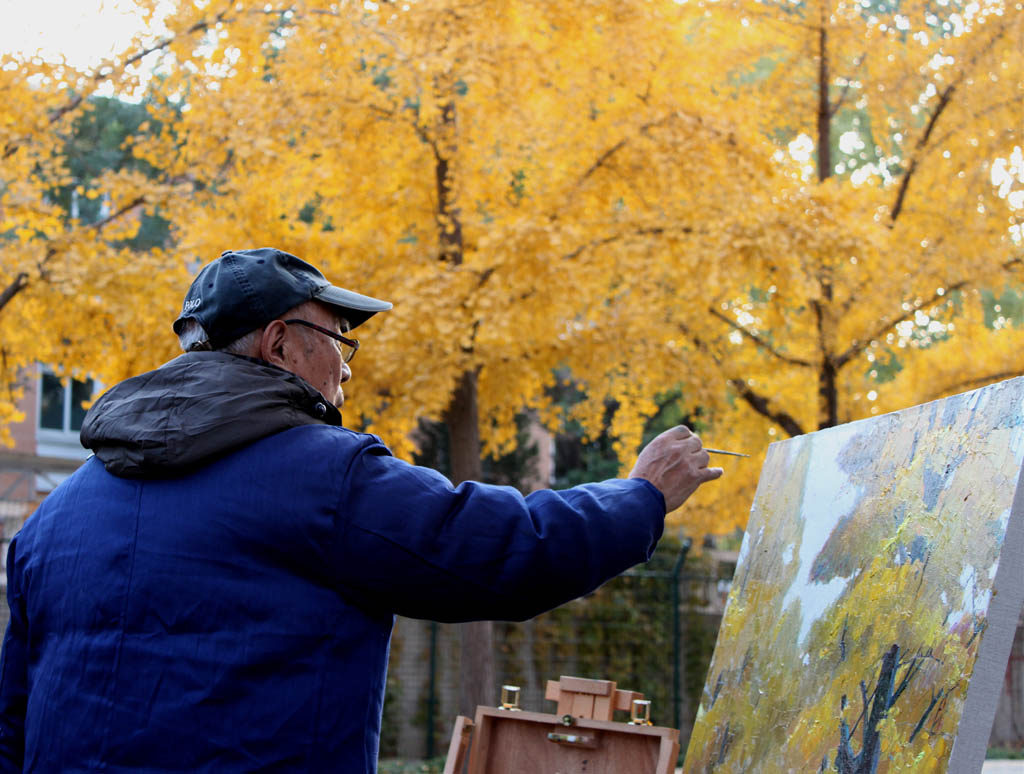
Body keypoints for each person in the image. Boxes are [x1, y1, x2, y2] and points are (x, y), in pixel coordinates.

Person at [0, 248, 722, 773]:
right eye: (339, 340)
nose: (347, 367)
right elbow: (505, 551)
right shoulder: (324, 479)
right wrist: (642, 496)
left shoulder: (54, 518)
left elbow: (12, 725)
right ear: (280, 343)